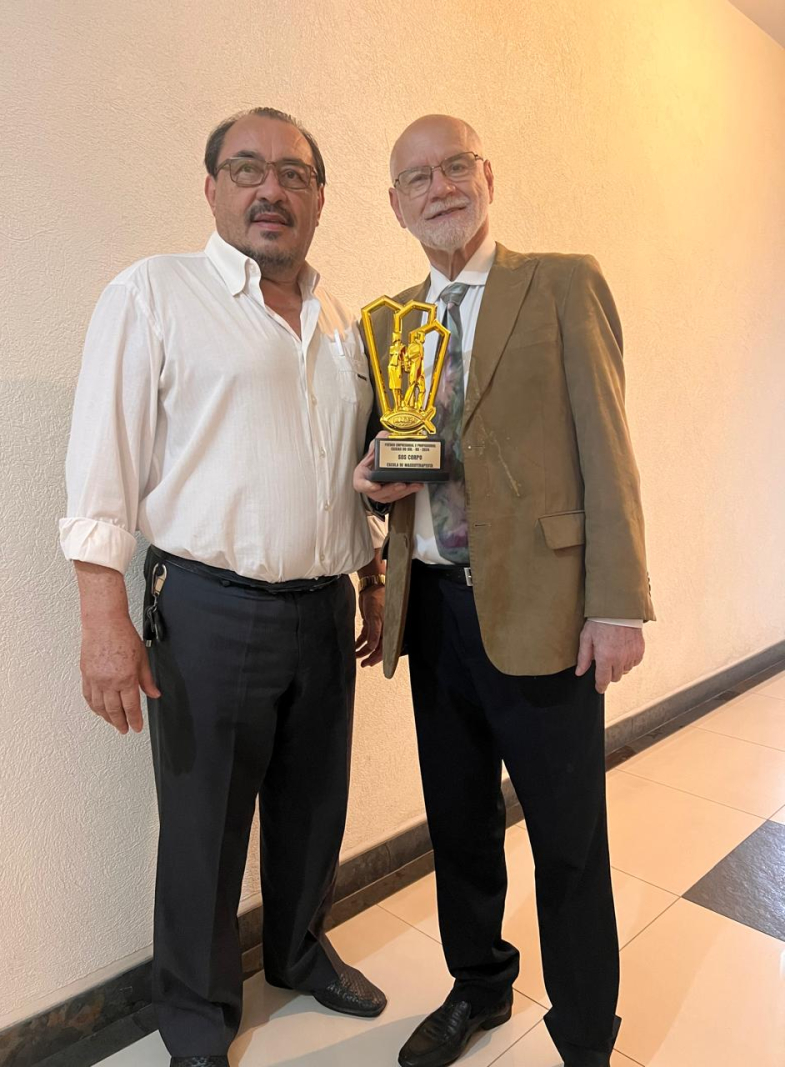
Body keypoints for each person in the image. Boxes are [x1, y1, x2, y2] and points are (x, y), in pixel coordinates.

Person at [60, 106, 387, 1067]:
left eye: (294, 174)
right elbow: (103, 463)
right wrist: (101, 616)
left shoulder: (343, 322)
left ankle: (296, 951)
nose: (271, 190)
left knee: (313, 807)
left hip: (324, 608)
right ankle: (198, 1016)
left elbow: (349, 471)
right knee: (204, 828)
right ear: (212, 189)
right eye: (247, 169)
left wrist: (371, 576)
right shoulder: (152, 294)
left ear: (319, 198)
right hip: (209, 609)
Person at [354, 114, 654, 1067]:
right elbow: (396, 453)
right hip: (435, 615)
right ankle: (479, 986)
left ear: (487, 175)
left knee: (568, 837)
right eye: (417, 178)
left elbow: (607, 447)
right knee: (460, 825)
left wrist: (617, 603)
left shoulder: (560, 283)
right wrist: (370, 484)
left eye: (455, 167)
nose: (439, 187)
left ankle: (585, 1034)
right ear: (395, 205)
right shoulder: (391, 321)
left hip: (546, 611)